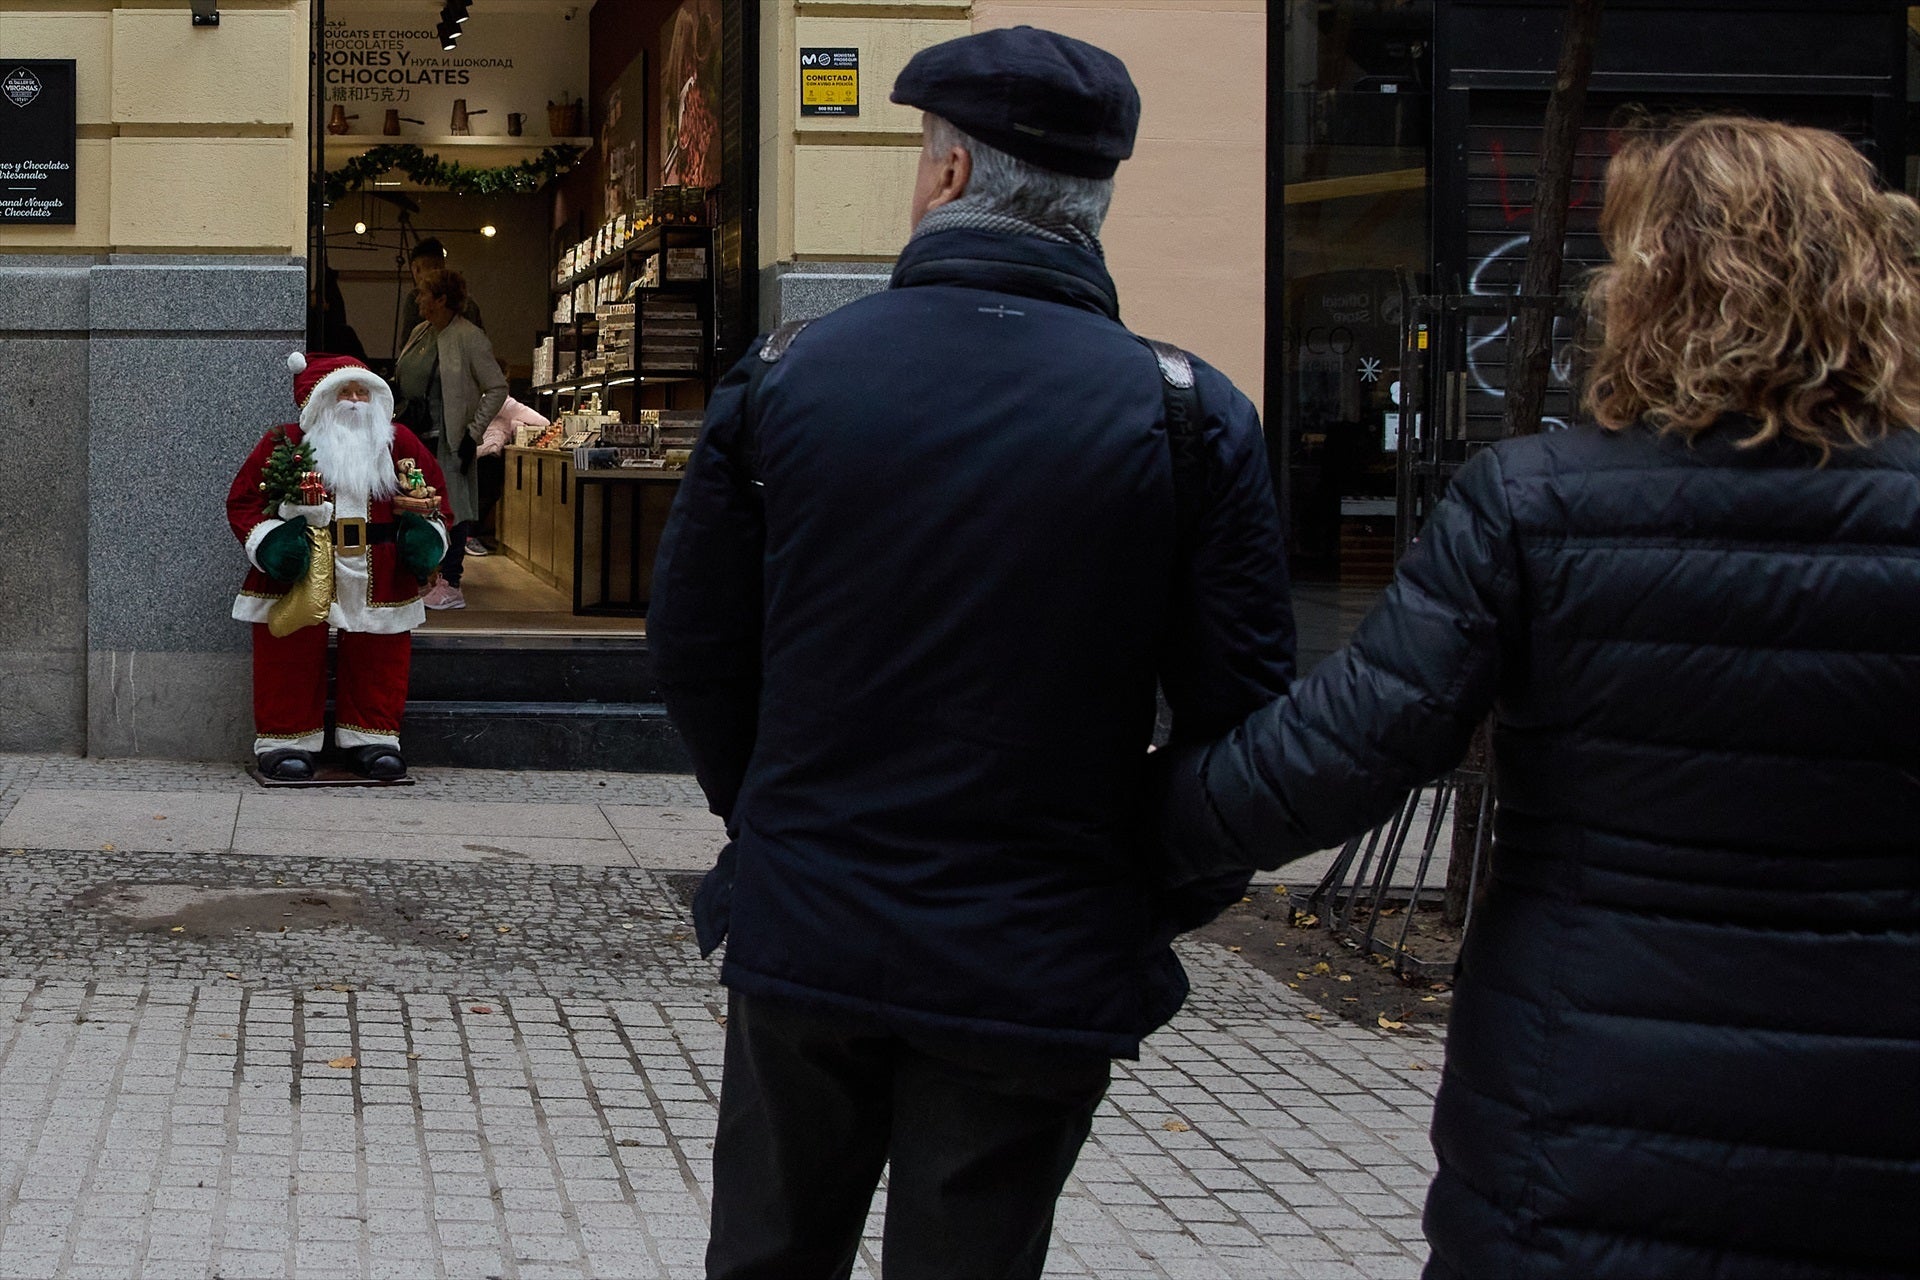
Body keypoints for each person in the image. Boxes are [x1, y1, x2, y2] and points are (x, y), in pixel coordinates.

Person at [1157, 117, 1920, 1280]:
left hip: (1582, 1116)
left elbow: (1338, 752)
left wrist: (1110, 822)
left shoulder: (1538, 501)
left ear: (1650, 283)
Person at [647, 26, 1295, 1280]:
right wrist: (1140, 886)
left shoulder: (788, 376)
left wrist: (772, 815)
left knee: (769, 1251)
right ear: (1096, 198)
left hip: (814, 920)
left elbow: (694, 646)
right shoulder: (1188, 414)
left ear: (947, 175)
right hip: (1037, 946)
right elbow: (1246, 722)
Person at [226, 352, 454, 781]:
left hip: (380, 568)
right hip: (304, 564)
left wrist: (427, 537)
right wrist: (270, 543)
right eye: (343, 392)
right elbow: (245, 501)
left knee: (380, 654)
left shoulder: (399, 442)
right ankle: (285, 741)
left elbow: (436, 497)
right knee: (288, 653)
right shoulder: (285, 442)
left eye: (361, 392)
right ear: (320, 401)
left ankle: (372, 738)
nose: (353, 400)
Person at [397, 268, 507, 610]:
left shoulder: (470, 337)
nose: (417, 299)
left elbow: (497, 387)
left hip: (450, 438)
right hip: (416, 434)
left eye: (423, 294)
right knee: (417, 504)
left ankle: (451, 581)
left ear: (442, 299)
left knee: (452, 506)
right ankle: (425, 578)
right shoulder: (420, 332)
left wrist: (473, 432)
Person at [397, 237, 482, 338]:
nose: (418, 299)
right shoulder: (466, 301)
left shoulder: (415, 299)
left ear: (416, 268)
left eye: (422, 294)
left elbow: (408, 340)